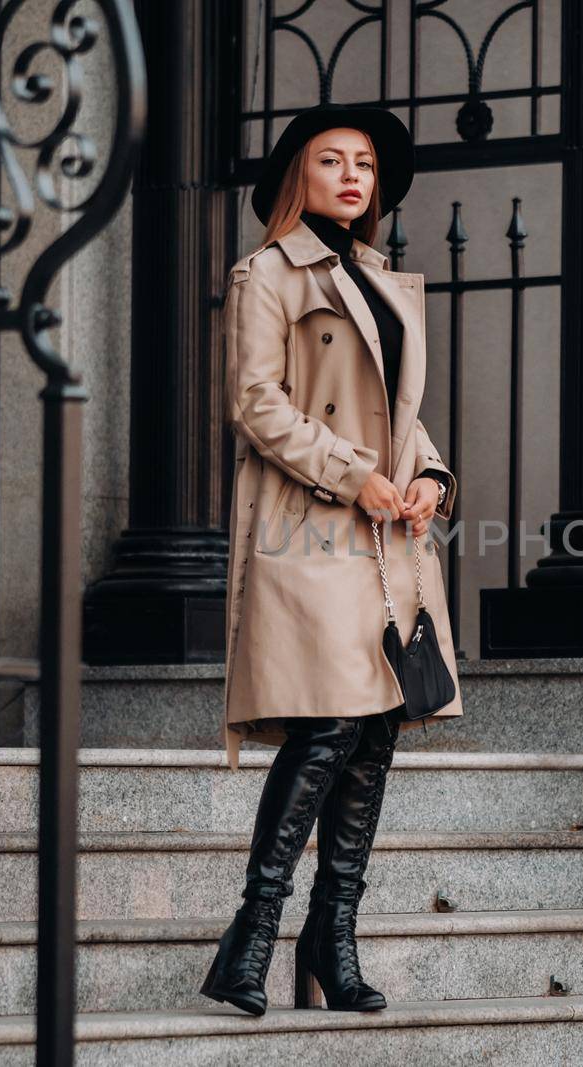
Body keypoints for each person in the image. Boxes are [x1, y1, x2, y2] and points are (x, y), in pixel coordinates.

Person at [199, 103, 465, 1017]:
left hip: (390, 537)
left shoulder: (383, 278)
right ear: (296, 179)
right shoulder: (267, 273)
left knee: (377, 727)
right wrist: (356, 476)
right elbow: (256, 404)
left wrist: (431, 474)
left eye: (364, 164)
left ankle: (332, 935)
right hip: (310, 526)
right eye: (330, 161)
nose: (353, 175)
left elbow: (400, 410)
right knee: (329, 723)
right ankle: (255, 932)